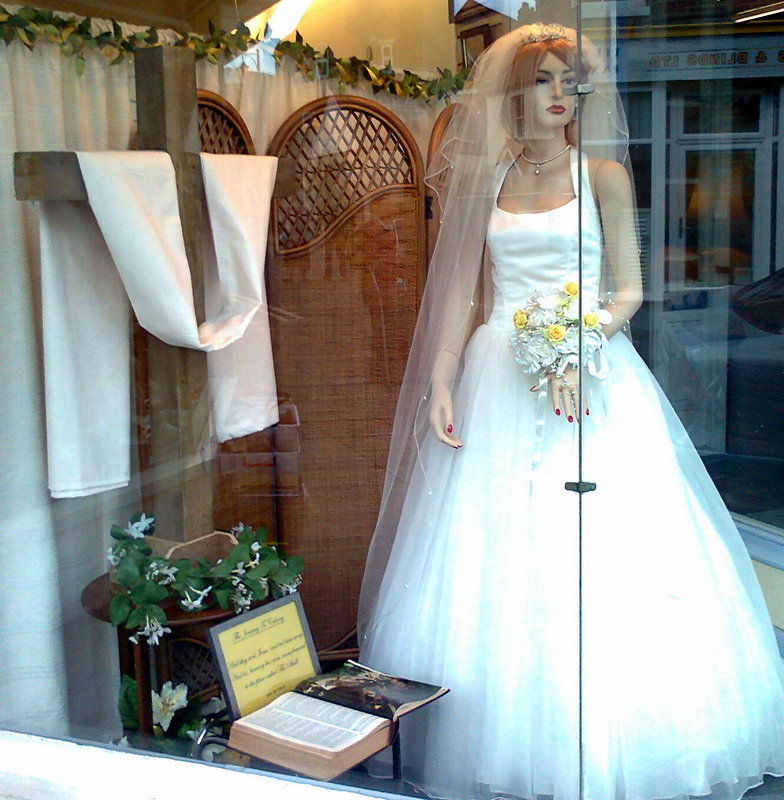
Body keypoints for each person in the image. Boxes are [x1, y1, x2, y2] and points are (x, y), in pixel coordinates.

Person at [357, 21, 784, 800]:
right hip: (498, 374)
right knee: (492, 547)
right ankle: (494, 732)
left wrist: (574, 345)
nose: (561, 95)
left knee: (607, 547)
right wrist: (443, 377)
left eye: (571, 81)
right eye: (545, 80)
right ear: (514, 93)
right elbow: (459, 291)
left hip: (591, 376)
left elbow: (630, 292)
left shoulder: (606, 177)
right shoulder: (487, 179)